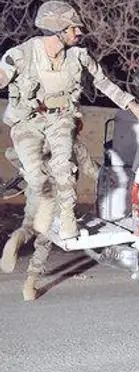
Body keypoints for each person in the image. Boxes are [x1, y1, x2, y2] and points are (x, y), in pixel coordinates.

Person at [0, 0, 139, 240]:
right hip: (28, 123)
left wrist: (132, 105)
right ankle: (25, 165)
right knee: (37, 178)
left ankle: (68, 221)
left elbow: (103, 82)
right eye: (72, 28)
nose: (79, 32)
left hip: (61, 120)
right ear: (57, 29)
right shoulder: (20, 55)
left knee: (64, 169)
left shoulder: (79, 56)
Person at [1, 120, 99, 301]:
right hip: (57, 195)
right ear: (77, 128)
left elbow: (12, 153)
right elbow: (92, 171)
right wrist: (112, 176)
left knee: (29, 225)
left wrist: (25, 169)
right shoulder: (76, 147)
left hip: (36, 188)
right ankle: (29, 286)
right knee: (45, 239)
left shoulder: (43, 141)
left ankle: (17, 238)